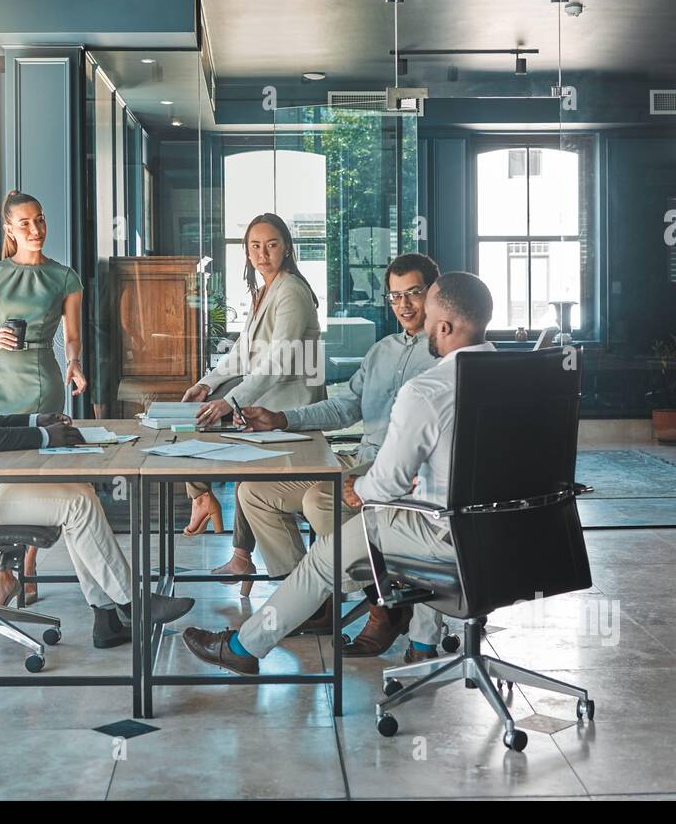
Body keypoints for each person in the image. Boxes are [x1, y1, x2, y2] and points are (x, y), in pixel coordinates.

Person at [180, 272, 495, 675]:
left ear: (445, 326)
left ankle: (244, 648)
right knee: (275, 499)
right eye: (395, 295)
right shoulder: (520, 376)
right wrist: (284, 420)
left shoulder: (430, 388)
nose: (410, 311)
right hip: (502, 536)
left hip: (440, 530)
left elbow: (389, 483)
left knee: (323, 556)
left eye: (426, 308)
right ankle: (417, 641)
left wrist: (359, 489)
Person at [0, 268, 194, 647]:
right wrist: (42, 435)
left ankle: (107, 618)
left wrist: (32, 420)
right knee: (76, 503)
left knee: (78, 493)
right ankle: (134, 604)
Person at [234, 253, 442, 656]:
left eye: (413, 293)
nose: (404, 305)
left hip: (403, 470)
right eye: (395, 296)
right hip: (361, 458)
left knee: (320, 498)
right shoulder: (382, 351)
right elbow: (343, 407)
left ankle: (384, 603)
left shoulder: (445, 353)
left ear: (434, 292)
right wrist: (281, 418)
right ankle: (310, 599)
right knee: (255, 492)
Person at [180, 212, 325, 593]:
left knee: (224, 442)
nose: (262, 253)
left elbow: (278, 361)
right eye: (254, 246)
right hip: (266, 405)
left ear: (287, 248)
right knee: (203, 414)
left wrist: (230, 401)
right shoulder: (266, 289)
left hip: (289, 411)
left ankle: (203, 499)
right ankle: (237, 550)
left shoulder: (290, 290)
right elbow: (244, 352)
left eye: (271, 244)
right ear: (246, 252)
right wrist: (206, 382)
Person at [0, 190, 87, 606]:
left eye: (40, 220)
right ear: (9, 230)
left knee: (39, 478)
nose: (36, 230)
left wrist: (74, 363)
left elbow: (72, 337)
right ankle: (3, 571)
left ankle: (28, 565)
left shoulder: (65, 277)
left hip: (42, 381)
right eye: (25, 224)